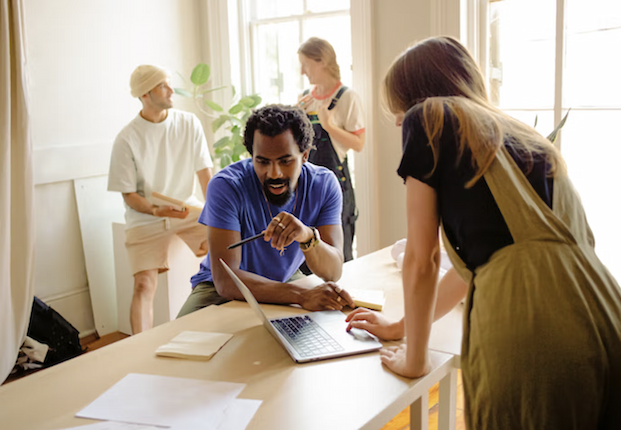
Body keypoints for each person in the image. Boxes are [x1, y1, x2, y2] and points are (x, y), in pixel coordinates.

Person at [346, 36, 621, 428]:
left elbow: (423, 259)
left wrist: (415, 358)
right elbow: (477, 267)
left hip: (530, 327)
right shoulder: (527, 139)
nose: (397, 120)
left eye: (399, 107)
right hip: (604, 310)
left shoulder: (427, 117)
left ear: (418, 96)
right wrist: (401, 327)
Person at [177, 104, 355, 317]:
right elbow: (226, 281)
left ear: (305, 155)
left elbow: (333, 271)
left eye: (285, 161)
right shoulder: (226, 186)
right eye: (262, 161)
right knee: (175, 341)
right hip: (220, 290)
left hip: (285, 279)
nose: (274, 173)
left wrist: (307, 236)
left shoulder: (324, 184)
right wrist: (300, 295)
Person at [108, 65, 213, 334]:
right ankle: (138, 349)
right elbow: (129, 195)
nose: (171, 90)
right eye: (163, 86)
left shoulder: (188, 123)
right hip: (145, 217)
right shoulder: (126, 139)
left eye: (169, 84)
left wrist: (217, 215)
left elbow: (205, 175)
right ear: (145, 94)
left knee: (230, 244)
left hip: (186, 209)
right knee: (144, 285)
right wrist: (156, 211)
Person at [297, 37, 365, 262]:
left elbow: (359, 143)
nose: (302, 71)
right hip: (306, 187)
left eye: (305, 64)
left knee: (339, 254)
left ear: (322, 62)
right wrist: (295, 116)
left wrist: (328, 126)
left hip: (336, 186)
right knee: (308, 254)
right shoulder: (306, 98)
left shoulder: (347, 97)